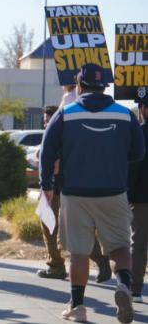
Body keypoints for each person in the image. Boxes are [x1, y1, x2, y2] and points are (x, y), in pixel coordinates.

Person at [40, 63, 145, 323]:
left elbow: (47, 152)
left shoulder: (66, 113)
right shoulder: (125, 114)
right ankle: (123, 285)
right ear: (104, 87)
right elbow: (139, 153)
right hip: (114, 191)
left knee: (79, 252)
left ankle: (78, 307)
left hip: (75, 193)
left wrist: (47, 186)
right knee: (121, 246)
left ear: (79, 85)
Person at [37, 104, 111, 281]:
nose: (46, 125)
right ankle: (101, 261)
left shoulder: (56, 139)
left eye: (48, 121)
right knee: (77, 230)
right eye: (45, 121)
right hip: (70, 189)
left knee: (51, 228)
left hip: (56, 190)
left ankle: (56, 265)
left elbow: (54, 167)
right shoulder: (71, 136)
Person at [128, 93, 148, 302]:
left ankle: (135, 289)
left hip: (142, 199)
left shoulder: (140, 134)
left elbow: (133, 168)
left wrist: (128, 196)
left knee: (139, 245)